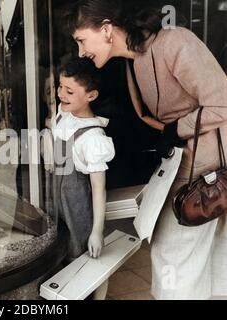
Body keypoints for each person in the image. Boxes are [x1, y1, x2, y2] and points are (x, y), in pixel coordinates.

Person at [64, 0, 227, 299]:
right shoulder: (134, 60)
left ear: (106, 29)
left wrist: (175, 130)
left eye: (81, 40)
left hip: (208, 174)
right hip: (190, 171)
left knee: (176, 262)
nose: (80, 51)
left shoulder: (176, 42)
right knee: (201, 265)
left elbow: (223, 101)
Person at [52, 57, 115, 261]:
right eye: (60, 86)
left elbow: (98, 188)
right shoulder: (64, 113)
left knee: (77, 255)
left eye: (69, 91)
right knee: (56, 253)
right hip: (53, 198)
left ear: (91, 95)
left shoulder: (92, 138)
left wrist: (97, 231)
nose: (61, 94)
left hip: (76, 206)